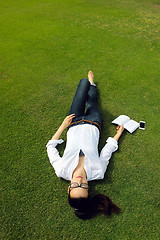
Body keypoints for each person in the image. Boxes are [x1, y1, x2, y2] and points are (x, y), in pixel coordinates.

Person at [46, 71, 124, 219]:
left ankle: (88, 82)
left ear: (69, 189)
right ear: (89, 190)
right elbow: (107, 151)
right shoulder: (98, 172)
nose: (80, 181)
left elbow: (50, 147)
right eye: (84, 186)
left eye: (75, 185)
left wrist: (63, 126)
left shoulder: (62, 170)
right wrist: (119, 134)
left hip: (73, 122)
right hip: (94, 122)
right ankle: (92, 83)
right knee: (92, 100)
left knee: (82, 84)